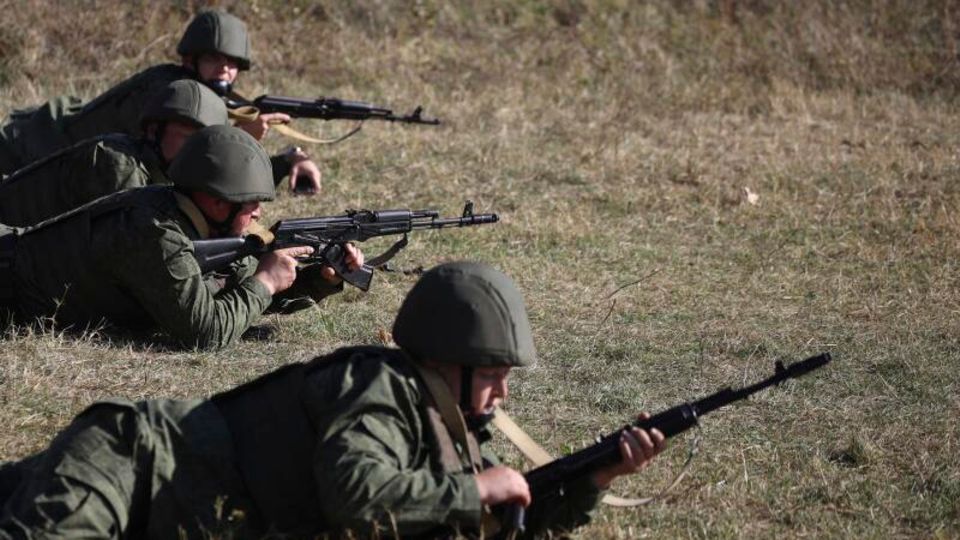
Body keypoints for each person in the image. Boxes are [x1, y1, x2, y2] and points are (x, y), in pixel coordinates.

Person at [0, 261, 665, 538]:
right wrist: (477, 489)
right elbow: (356, 491)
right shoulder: (375, 389)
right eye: (491, 371)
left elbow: (493, 519)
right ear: (443, 361)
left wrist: (596, 476)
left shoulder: (447, 428)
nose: (503, 390)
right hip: (132, 462)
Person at [0, 124, 361, 350]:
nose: (258, 213)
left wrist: (320, 279)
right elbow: (206, 333)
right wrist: (265, 282)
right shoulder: (155, 233)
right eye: (251, 203)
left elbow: (239, 291)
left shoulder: (194, 222)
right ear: (218, 201)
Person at [0, 10, 315, 191]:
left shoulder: (197, 92)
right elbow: (202, 176)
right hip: (27, 154)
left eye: (233, 62)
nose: (225, 68)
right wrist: (245, 141)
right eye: (213, 58)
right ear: (191, 60)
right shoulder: (172, 94)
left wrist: (291, 159)